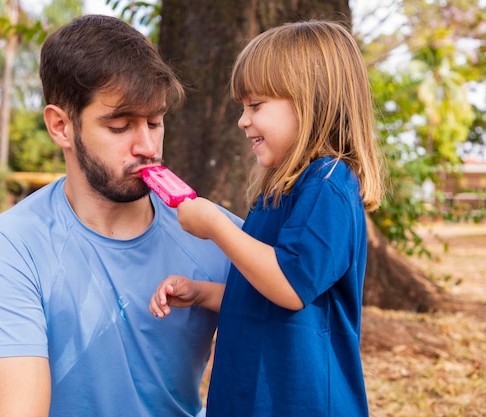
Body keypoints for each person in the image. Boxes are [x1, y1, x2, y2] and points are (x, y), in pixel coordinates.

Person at [0, 14, 242, 417]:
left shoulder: (220, 237)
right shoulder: (14, 247)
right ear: (61, 126)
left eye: (155, 122)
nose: (147, 146)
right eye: (120, 127)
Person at [149, 20, 386, 416]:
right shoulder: (281, 192)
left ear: (313, 101)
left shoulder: (328, 185)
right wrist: (202, 293)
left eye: (256, 105)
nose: (243, 120)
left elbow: (290, 286)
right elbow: (266, 296)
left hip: (300, 403)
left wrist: (214, 225)